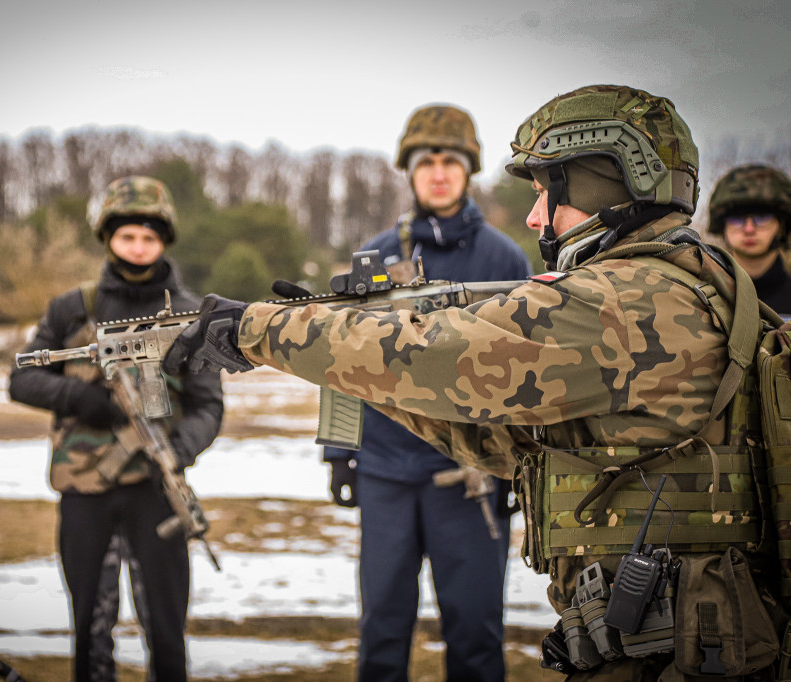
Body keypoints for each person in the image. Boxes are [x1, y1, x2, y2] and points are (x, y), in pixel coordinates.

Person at [164, 84, 787, 680]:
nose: (537, 212)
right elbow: (530, 443)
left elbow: (441, 360)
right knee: (384, 623)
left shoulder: (624, 302)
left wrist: (258, 330)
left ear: (609, 183)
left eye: (550, 190)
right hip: (677, 629)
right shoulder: (692, 282)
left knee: (472, 630)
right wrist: (348, 400)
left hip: (675, 640)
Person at [322, 104, 531, 682]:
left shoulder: (504, 258)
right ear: (409, 171)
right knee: (383, 630)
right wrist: (340, 452)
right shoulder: (375, 254)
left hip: (469, 476)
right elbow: (340, 359)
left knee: (476, 631)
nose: (438, 172)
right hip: (386, 475)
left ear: (469, 170)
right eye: (426, 161)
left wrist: (518, 465)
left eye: (450, 161)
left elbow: (524, 372)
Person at [8, 175, 223, 682]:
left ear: (165, 240)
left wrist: (176, 450)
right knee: (89, 628)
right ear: (107, 237)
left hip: (156, 494)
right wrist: (81, 399)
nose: (138, 246)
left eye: (149, 237)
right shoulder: (73, 308)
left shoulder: (190, 312)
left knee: (166, 632)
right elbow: (22, 379)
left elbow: (209, 407)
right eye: (127, 235)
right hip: (86, 493)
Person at [706, 164, 791, 315]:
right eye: (737, 218)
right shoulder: (707, 296)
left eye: (762, 217)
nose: (749, 229)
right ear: (723, 226)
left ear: (782, 226)